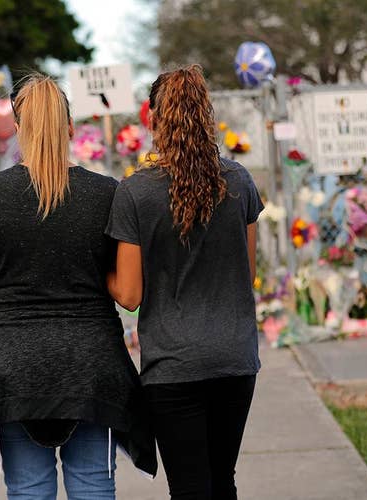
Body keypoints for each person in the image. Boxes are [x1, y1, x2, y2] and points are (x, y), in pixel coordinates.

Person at [0, 74, 156, 499]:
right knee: (94, 484)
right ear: (68, 128)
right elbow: (127, 292)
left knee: (28, 489)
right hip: (91, 363)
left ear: (18, 127)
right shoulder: (107, 193)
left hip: (12, 367)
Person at [106, 65, 265, 500]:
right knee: (222, 480)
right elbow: (246, 273)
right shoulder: (239, 181)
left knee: (190, 488)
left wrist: (100, 269)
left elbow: (130, 296)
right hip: (234, 358)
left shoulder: (135, 193)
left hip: (173, 367)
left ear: (152, 118)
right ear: (207, 116)